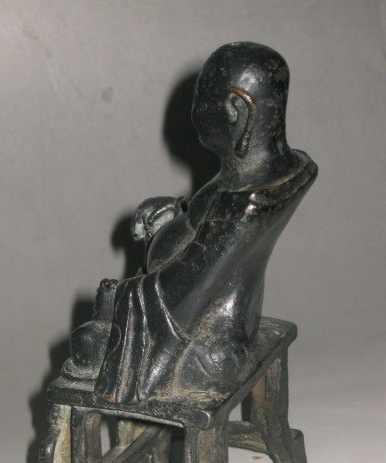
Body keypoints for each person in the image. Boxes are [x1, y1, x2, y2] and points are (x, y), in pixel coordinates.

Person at [62, 41, 317, 406]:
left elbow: (185, 294)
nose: (194, 112)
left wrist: (121, 298)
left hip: (207, 348)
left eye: (201, 100)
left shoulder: (247, 203)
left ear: (237, 110)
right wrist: (177, 211)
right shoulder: (284, 170)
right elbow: (206, 217)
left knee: (87, 342)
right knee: (98, 327)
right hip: (224, 319)